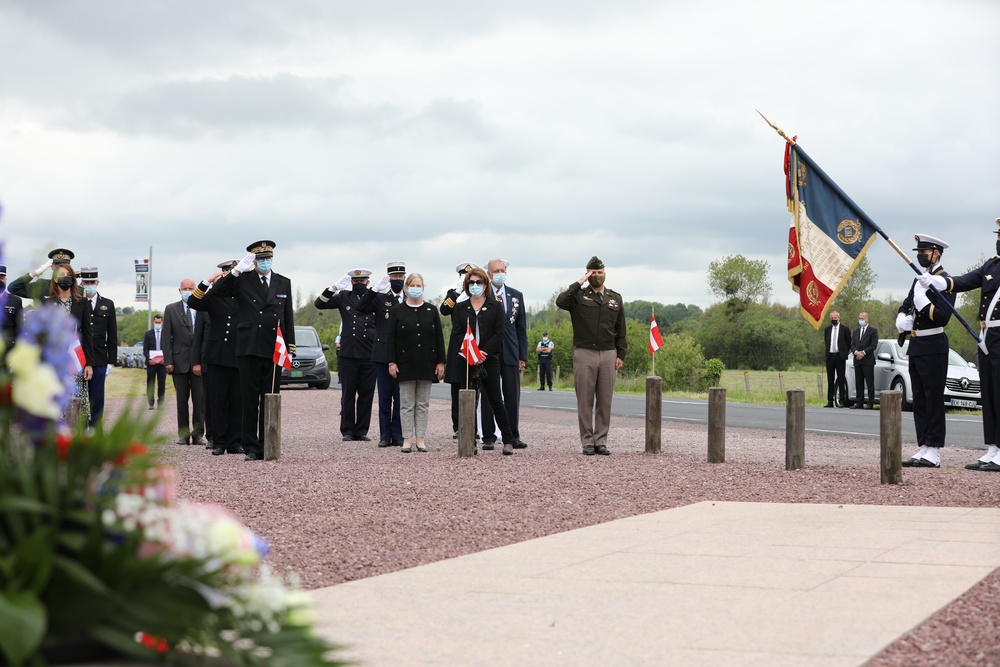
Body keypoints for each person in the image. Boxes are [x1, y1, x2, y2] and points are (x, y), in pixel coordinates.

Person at [210, 240, 296, 462]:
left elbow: (287, 317)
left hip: (273, 347)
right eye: (260, 259)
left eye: (268, 259)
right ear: (253, 261)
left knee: (270, 397)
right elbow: (217, 291)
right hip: (249, 346)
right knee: (249, 399)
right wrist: (236, 271)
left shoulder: (282, 282)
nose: (265, 263)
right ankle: (250, 445)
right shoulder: (242, 280)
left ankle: (268, 442)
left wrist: (291, 347)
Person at [556, 256, 626, 456]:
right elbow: (560, 301)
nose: (597, 276)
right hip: (584, 352)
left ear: (605, 273)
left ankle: (601, 441)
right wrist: (580, 282)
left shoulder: (615, 298)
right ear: (587, 274)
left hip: (608, 353)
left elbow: (621, 329)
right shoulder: (578, 296)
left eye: (600, 273)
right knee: (585, 400)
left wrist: (621, 353)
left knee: (605, 400)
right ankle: (587, 441)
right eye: (592, 273)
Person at [442, 266, 516, 454]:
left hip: (488, 359)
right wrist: (471, 352)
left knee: (495, 399)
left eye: (479, 282)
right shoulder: (460, 307)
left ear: (485, 284)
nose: (475, 285)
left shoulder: (495, 306)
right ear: (467, 285)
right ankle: (470, 442)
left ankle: (508, 440)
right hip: (466, 358)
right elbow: (458, 333)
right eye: (472, 282)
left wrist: (483, 352)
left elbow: (499, 333)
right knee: (468, 400)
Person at [896, 234, 955, 468]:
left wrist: (924, 303)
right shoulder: (919, 279)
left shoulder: (946, 281)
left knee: (933, 398)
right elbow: (906, 303)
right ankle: (924, 446)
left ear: (936, 253)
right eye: (918, 253)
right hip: (916, 345)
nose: (920, 256)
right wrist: (902, 317)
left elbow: (943, 316)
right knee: (919, 398)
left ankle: (935, 450)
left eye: (924, 252)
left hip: (934, 345)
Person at [950, 219, 1000, 471]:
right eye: (999, 235)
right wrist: (944, 283)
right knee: (989, 393)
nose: (999, 240)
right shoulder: (992, 264)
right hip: (987, 337)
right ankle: (992, 447)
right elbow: (967, 280)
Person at [189, 259, 244, 456]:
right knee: (218, 401)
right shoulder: (213, 296)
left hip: (238, 355)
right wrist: (207, 281)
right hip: (217, 355)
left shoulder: (244, 296)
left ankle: (235, 442)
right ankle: (218, 441)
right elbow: (193, 302)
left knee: (237, 401)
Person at [315, 269, 377, 441]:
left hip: (369, 352)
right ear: (351, 283)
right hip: (349, 352)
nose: (359, 284)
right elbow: (319, 304)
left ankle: (362, 430)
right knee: (348, 393)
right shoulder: (343, 297)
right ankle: (348, 430)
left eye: (362, 281)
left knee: (366, 394)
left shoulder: (375, 298)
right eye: (355, 282)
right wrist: (333, 287)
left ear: (368, 282)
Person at [386, 273, 446, 453]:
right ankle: (407, 439)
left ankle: (420, 438)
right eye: (412, 285)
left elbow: (439, 338)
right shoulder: (397, 310)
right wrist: (391, 362)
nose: (416, 288)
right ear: (406, 287)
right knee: (406, 404)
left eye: (419, 285)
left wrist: (440, 362)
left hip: (427, 363)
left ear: (423, 287)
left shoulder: (431, 310)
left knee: (422, 404)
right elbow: (391, 339)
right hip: (405, 363)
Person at [480, 258, 529, 450]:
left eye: (503, 270)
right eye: (496, 271)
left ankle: (513, 435)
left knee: (511, 394)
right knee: (489, 394)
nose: (500, 273)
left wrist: (522, 356)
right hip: (489, 352)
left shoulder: (516, 296)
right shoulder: (483, 295)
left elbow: (521, 328)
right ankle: (489, 436)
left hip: (510, 351)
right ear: (489, 274)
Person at [357, 261, 407, 447]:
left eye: (400, 277)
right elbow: (361, 307)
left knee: (401, 398)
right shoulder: (380, 298)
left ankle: (399, 435)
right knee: (385, 397)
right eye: (394, 277)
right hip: (383, 354)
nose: (398, 280)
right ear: (389, 278)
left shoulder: (409, 298)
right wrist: (374, 289)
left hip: (403, 355)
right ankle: (385, 435)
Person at [162, 278, 207, 446]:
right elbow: (166, 337)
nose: (188, 291)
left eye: (191, 288)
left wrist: (203, 361)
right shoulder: (171, 309)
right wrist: (168, 361)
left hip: (198, 363)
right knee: (182, 400)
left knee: (199, 399)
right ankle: (183, 434)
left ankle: (198, 434)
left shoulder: (203, 308)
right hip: (178, 361)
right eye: (185, 288)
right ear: (179, 290)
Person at [440, 261, 480, 438]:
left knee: (475, 386)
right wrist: (457, 293)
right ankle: (458, 425)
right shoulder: (454, 294)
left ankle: (474, 425)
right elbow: (444, 310)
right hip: (458, 345)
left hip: (476, 344)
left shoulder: (480, 294)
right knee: (457, 388)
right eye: (465, 278)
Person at [79, 267, 117, 429]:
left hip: (100, 357)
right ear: (81, 282)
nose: (89, 285)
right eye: (86, 282)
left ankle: (95, 432)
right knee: (79, 398)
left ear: (97, 282)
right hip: (79, 358)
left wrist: (111, 361)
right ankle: (79, 432)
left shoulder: (107, 304)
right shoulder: (77, 303)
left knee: (97, 399)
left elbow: (112, 334)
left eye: (91, 282)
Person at [7, 248, 75, 303]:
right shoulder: (42, 286)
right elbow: (13, 288)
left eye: (64, 264)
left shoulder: (78, 290)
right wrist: (35, 273)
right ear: (52, 266)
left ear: (70, 266)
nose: (61, 268)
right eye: (57, 264)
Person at [849, 312, 878, 410]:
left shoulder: (873, 331)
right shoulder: (856, 331)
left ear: (867, 319)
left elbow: (873, 345)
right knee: (859, 382)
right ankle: (859, 402)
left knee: (869, 382)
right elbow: (852, 344)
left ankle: (870, 402)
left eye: (862, 318)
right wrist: (856, 352)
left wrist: (863, 353)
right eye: (859, 318)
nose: (861, 320)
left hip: (868, 360)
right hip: (857, 360)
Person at [823, 311, 851, 408]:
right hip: (830, 356)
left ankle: (841, 400)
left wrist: (844, 353)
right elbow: (826, 342)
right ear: (830, 319)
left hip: (840, 356)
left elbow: (848, 343)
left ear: (839, 318)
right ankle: (830, 400)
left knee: (841, 378)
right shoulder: (827, 329)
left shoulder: (844, 329)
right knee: (830, 379)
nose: (834, 319)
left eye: (835, 317)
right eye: (832, 318)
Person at [142, 315, 167, 410]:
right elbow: (145, 348)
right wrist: (149, 359)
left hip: (162, 363)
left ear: (162, 322)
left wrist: (165, 359)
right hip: (151, 363)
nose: (157, 324)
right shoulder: (148, 334)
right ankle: (151, 403)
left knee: (162, 383)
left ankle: (160, 403)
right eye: (156, 322)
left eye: (159, 323)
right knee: (150, 383)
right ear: (153, 322)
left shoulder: (165, 333)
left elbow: (168, 347)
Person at [0, 264, 24, 351]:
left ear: (6, 280)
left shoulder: (16, 301)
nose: (0, 281)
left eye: (2, 278)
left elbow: (19, 328)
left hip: (8, 349)